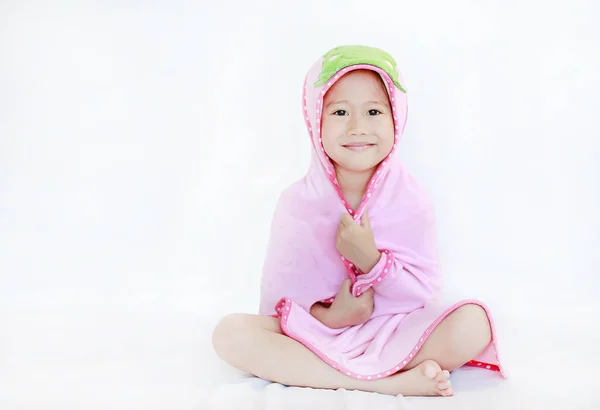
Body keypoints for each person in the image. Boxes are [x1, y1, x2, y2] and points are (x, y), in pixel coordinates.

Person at [212, 45, 506, 397]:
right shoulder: (297, 203)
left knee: (474, 323)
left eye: (373, 111)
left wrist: (372, 262)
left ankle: (347, 373)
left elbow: (422, 296)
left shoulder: (411, 199)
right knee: (229, 334)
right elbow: (279, 304)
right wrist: (332, 317)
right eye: (339, 112)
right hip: (317, 336)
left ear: (396, 117)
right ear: (314, 119)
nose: (357, 127)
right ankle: (389, 383)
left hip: (394, 332)